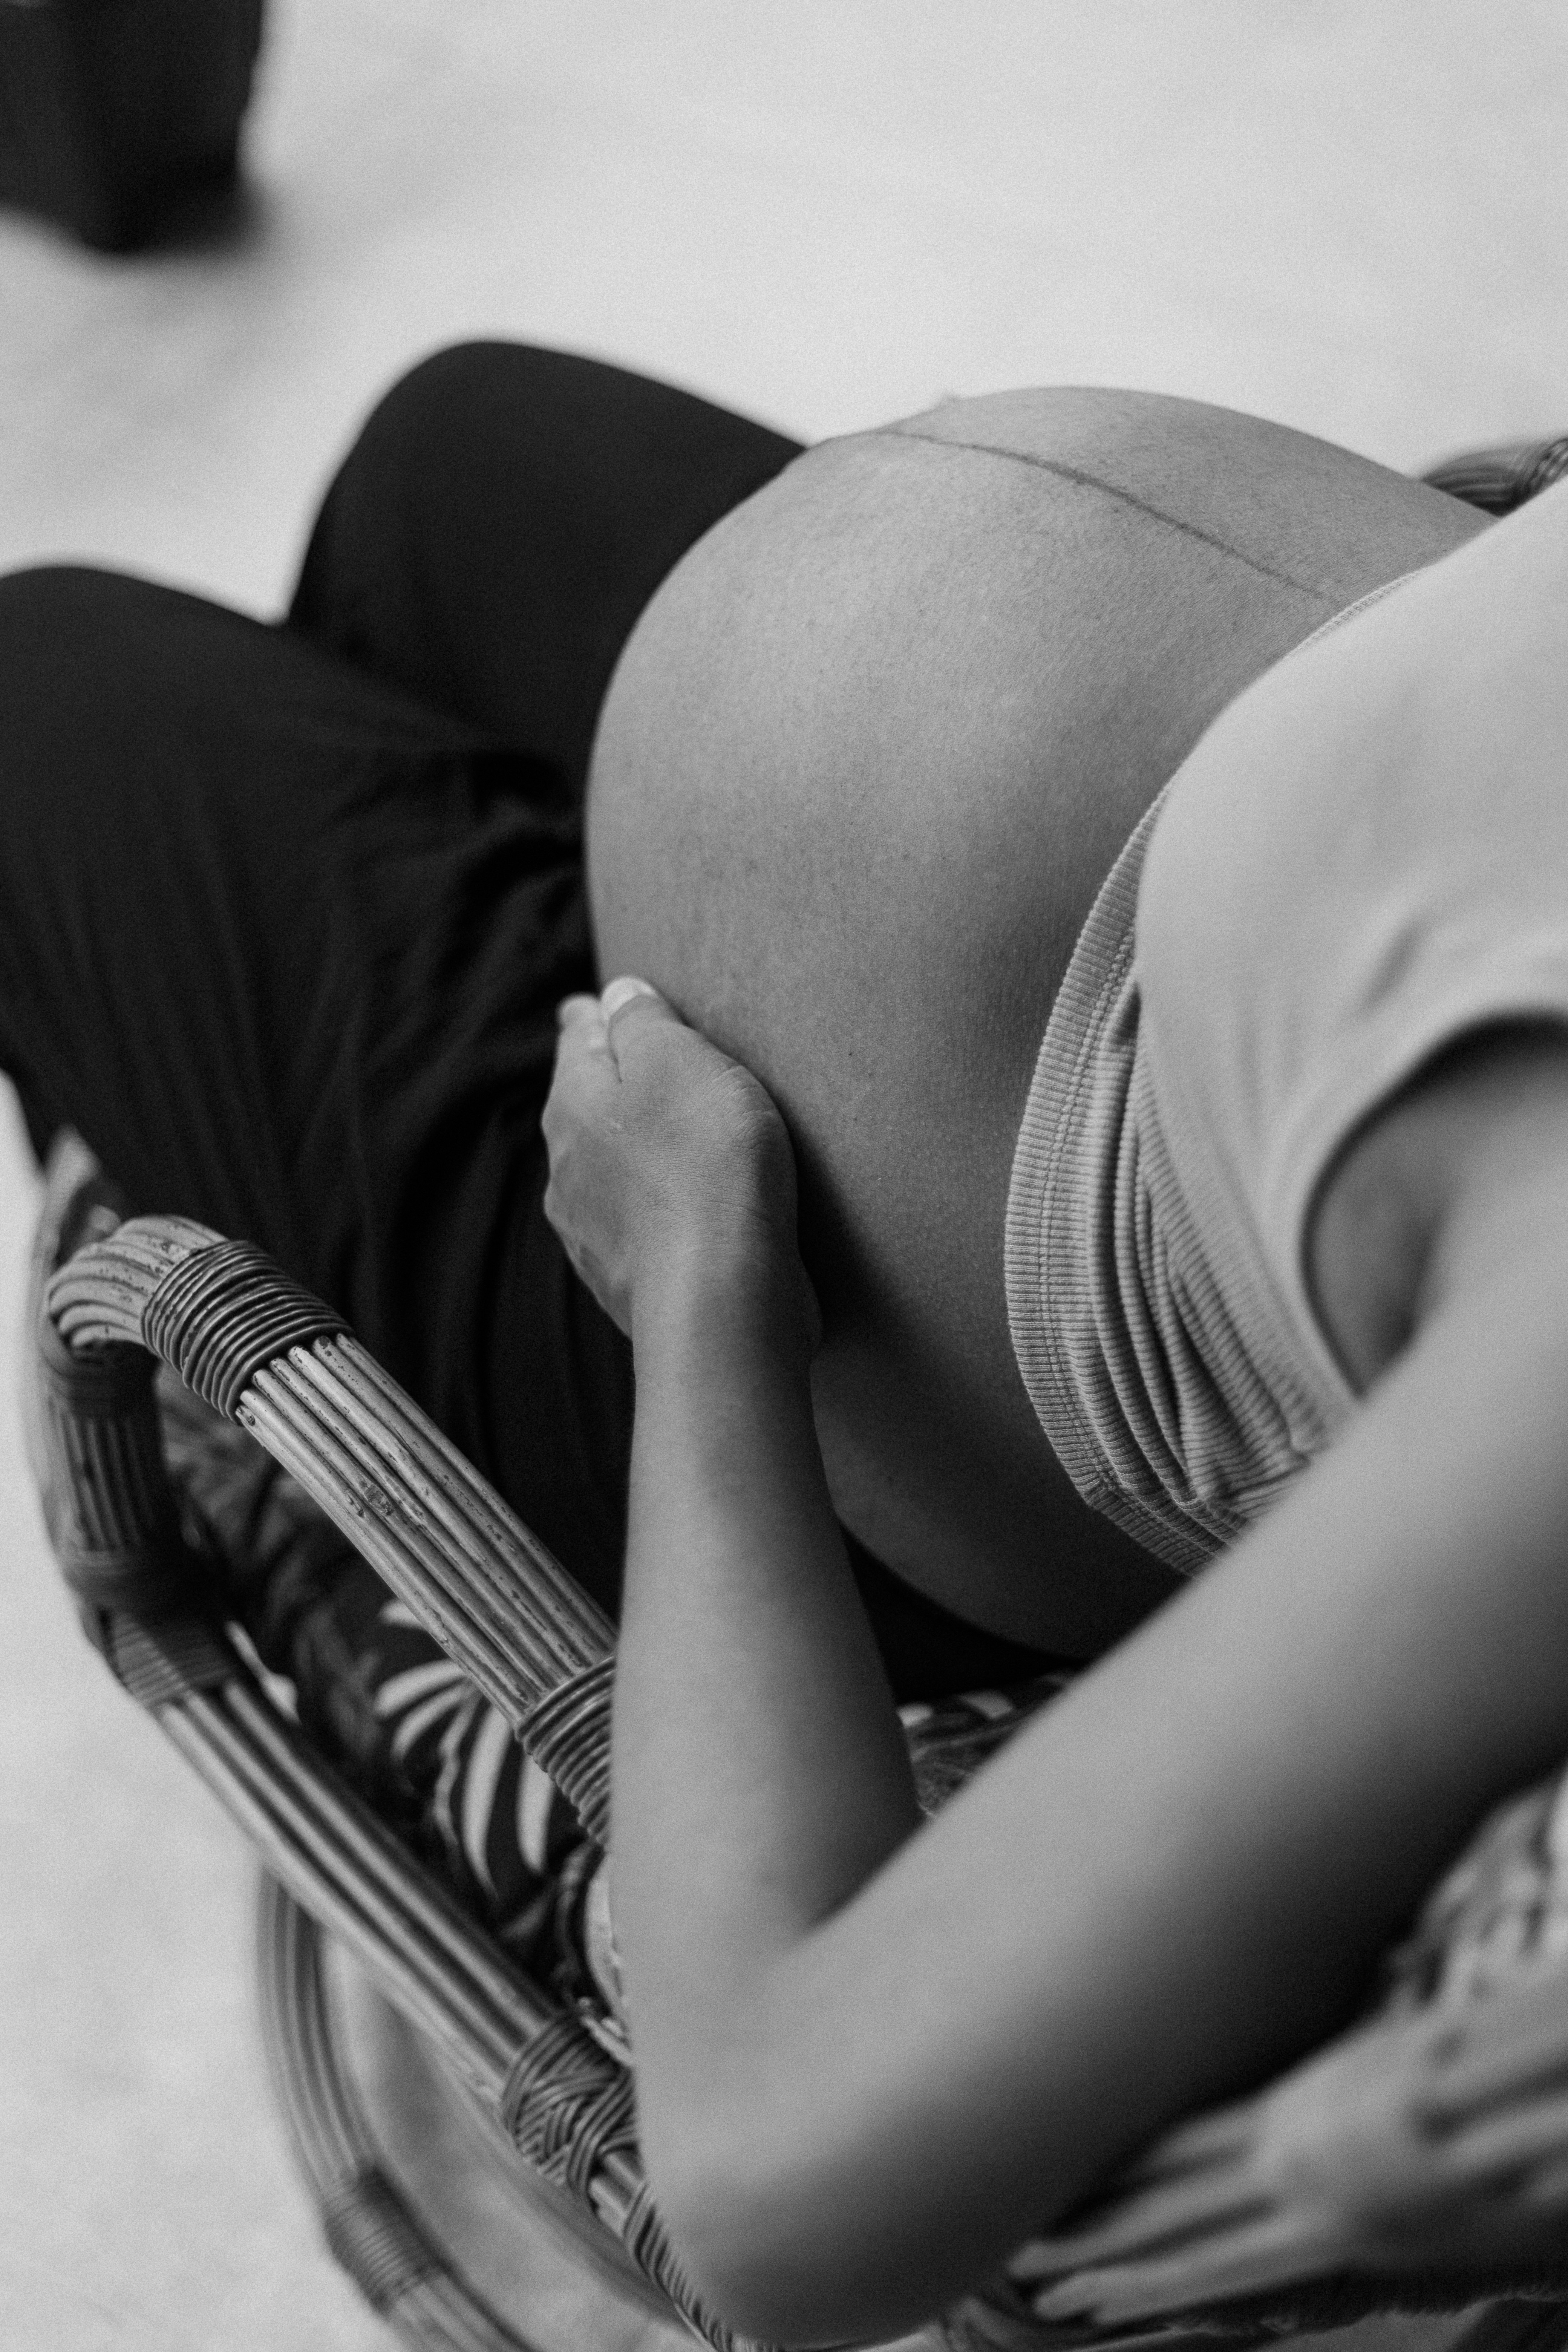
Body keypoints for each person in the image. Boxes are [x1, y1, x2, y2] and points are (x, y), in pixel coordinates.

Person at [0, 343, 1546, 2331]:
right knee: (446, 455)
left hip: (880, 1362)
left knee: (41, 691)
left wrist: (700, 1303)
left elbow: (781, 2198)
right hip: (1122, 806)